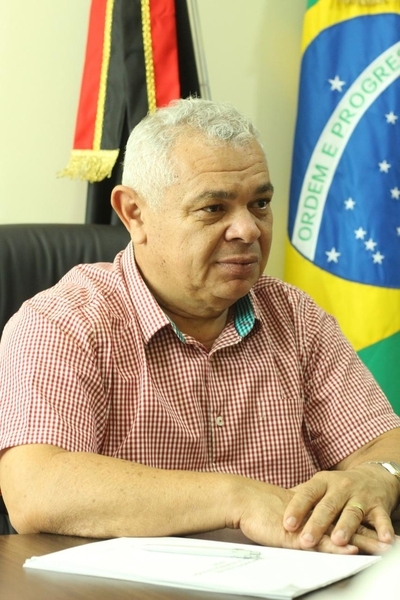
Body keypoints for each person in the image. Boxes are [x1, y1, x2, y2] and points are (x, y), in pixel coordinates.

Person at [0, 98, 400, 554]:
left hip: (300, 579)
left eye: (260, 203)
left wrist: (378, 475)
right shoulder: (64, 322)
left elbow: (381, 442)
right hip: (133, 586)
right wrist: (237, 499)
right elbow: (34, 488)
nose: (248, 230)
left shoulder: (296, 316)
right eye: (214, 208)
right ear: (134, 213)